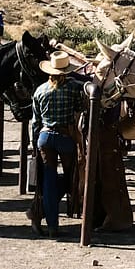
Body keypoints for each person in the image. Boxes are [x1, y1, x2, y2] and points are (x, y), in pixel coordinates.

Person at [29, 50, 85, 238]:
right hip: (65, 137)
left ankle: (50, 222)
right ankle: (40, 213)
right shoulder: (74, 88)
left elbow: (36, 121)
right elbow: (79, 109)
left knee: (48, 181)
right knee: (71, 176)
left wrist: (33, 143)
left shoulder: (39, 90)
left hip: (44, 138)